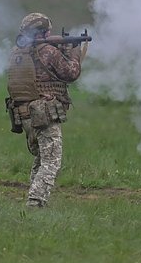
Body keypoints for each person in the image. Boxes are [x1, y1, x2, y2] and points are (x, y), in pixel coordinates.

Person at [5, 12, 84, 207]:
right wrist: (73, 53)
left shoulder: (17, 52)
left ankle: (35, 195)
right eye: (48, 31)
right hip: (44, 113)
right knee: (52, 162)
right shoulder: (48, 51)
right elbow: (71, 73)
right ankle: (35, 201)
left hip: (24, 115)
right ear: (42, 32)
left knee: (42, 159)